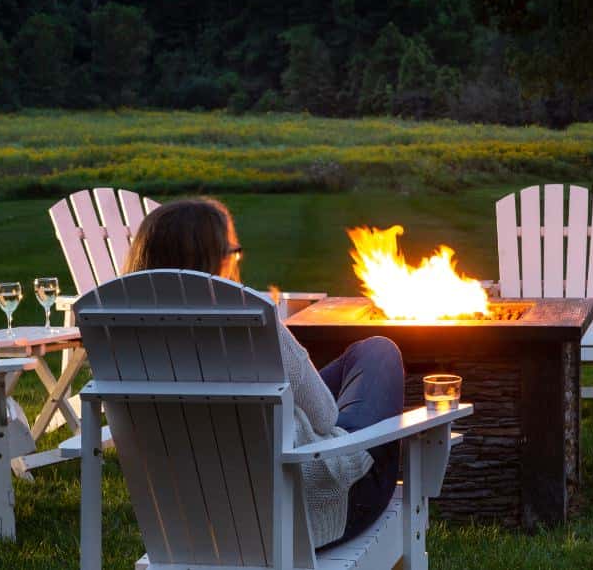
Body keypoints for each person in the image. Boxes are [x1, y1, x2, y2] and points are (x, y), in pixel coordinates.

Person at [122, 198, 406, 548]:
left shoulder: (124, 337)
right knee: (378, 351)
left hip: (195, 524)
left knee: (355, 362)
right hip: (311, 514)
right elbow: (325, 414)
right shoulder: (249, 317)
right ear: (213, 259)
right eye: (233, 251)